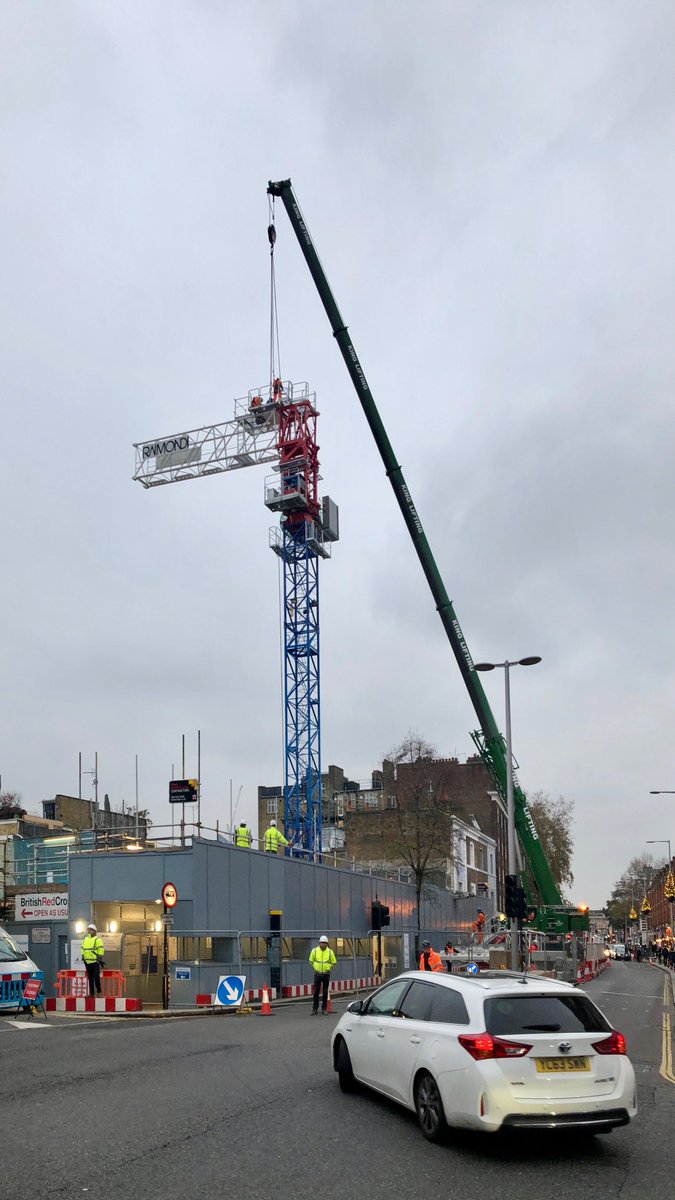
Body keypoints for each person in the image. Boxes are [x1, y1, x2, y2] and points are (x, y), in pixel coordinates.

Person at [309, 935, 337, 1014]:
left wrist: (328, 967)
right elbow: (311, 961)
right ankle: (315, 1009)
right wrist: (315, 967)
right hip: (317, 973)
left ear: (327, 943)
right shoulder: (314, 951)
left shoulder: (330, 952)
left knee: (325, 992)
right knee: (316, 992)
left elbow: (334, 962)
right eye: (322, 943)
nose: (323, 944)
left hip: (326, 974)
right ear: (319, 943)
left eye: (325, 943)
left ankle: (324, 1009)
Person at [81, 923, 105, 997]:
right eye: (88, 930)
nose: (89, 931)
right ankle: (91, 993)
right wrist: (83, 957)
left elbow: (100, 949)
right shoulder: (85, 939)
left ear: (94, 931)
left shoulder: (98, 940)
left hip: (95, 962)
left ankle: (99, 992)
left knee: (96, 977)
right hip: (87, 962)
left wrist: (99, 959)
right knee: (90, 978)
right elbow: (82, 949)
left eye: (90, 930)